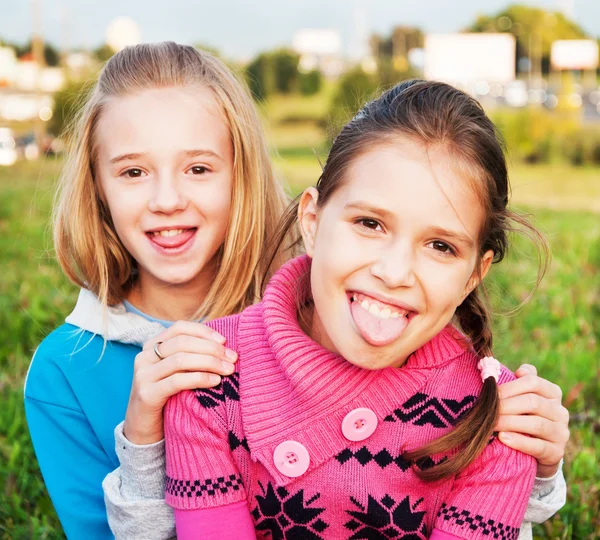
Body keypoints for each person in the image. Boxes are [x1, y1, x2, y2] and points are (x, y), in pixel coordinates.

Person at [24, 43, 567, 540]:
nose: (167, 199)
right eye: (133, 171)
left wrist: (539, 471)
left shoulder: (334, 297)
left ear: (242, 174)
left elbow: (481, 486)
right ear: (97, 186)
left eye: (198, 167)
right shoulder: (67, 372)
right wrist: (145, 435)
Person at [162, 80, 568, 539]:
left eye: (440, 246)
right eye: (369, 223)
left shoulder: (494, 419)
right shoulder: (207, 377)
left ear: (475, 273)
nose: (394, 272)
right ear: (313, 223)